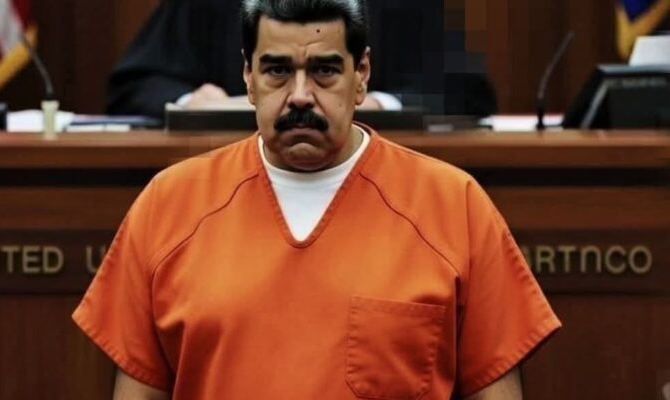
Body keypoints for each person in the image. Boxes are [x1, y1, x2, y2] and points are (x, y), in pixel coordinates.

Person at [74, 0, 560, 398]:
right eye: (277, 71)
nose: (301, 96)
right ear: (247, 77)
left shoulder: (454, 206)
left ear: (361, 74)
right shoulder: (169, 205)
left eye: (325, 71)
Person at [106, 0, 497, 119]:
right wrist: (194, 102)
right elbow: (137, 84)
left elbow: (464, 91)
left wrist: (378, 107)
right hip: (229, 176)